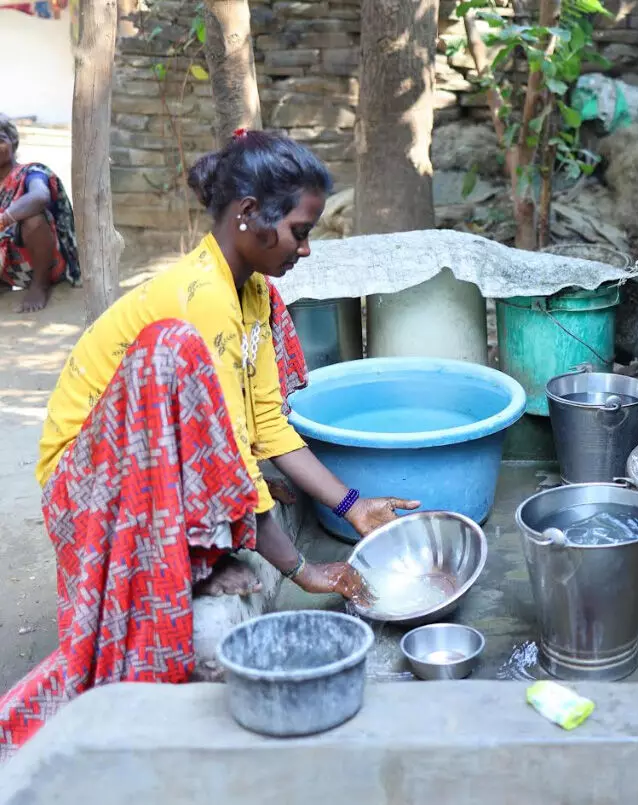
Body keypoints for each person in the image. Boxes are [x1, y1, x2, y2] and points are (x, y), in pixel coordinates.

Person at [0, 130, 418, 759]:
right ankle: (197, 561)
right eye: (301, 231)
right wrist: (302, 569)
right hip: (86, 486)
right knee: (185, 374)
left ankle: (205, 553)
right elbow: (222, 456)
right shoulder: (200, 302)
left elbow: (267, 424)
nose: (306, 249)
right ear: (249, 215)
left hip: (139, 466)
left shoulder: (254, 293)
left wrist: (353, 506)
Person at [0, 115, 80, 312]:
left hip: (45, 264)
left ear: (14, 143)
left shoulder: (32, 172)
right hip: (8, 269)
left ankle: (40, 286)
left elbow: (40, 196)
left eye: (0, 139)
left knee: (33, 218)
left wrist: (4, 220)